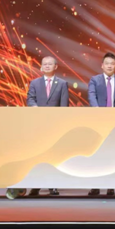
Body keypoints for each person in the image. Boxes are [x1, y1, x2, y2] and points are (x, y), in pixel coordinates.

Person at [87, 52, 115, 196]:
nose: (109, 66)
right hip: (98, 122)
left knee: (113, 155)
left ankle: (111, 185)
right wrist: (98, 112)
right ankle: (95, 186)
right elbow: (91, 96)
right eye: (107, 63)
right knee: (97, 154)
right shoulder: (95, 80)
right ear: (102, 65)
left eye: (112, 63)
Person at [26, 56, 69, 197]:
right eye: (44, 64)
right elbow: (30, 99)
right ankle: (35, 186)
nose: (47, 66)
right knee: (37, 156)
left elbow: (64, 106)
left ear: (55, 66)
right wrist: (36, 108)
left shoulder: (62, 83)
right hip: (38, 125)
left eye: (50, 64)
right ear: (41, 66)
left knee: (53, 157)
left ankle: (53, 184)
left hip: (55, 126)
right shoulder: (35, 83)